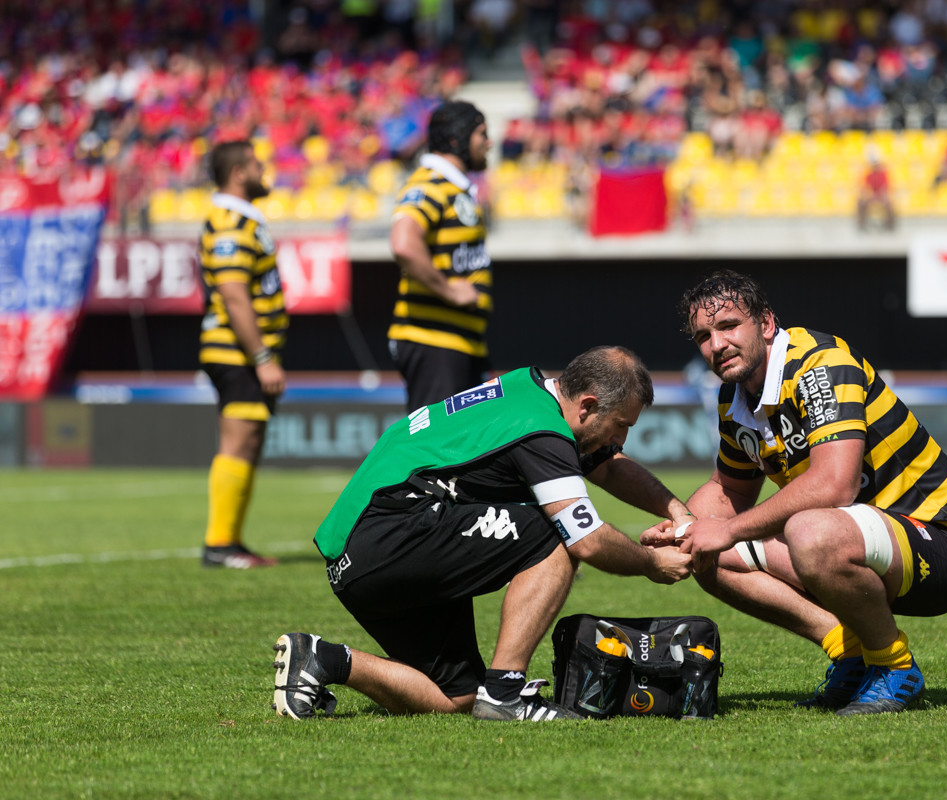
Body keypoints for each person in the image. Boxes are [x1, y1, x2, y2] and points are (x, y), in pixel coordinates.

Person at [272, 347, 694, 721]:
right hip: (391, 531)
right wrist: (653, 563)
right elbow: (586, 538)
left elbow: (608, 465)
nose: (621, 439)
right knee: (558, 532)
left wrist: (675, 510)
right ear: (586, 405)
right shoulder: (541, 431)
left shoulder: (526, 391)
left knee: (456, 696)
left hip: (363, 552)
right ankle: (507, 693)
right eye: (621, 425)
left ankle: (322, 658)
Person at [642, 270, 947, 715]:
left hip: (942, 541)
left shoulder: (821, 364)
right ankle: (850, 653)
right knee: (710, 557)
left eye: (729, 326)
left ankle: (895, 666)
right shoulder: (734, 397)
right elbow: (728, 489)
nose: (717, 345)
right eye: (704, 336)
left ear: (766, 324)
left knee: (809, 531)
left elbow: (834, 483)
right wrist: (683, 531)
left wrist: (727, 530)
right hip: (861, 540)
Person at [196, 140, 286, 569]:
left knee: (248, 441)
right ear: (238, 173)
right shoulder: (231, 222)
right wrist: (263, 356)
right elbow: (235, 297)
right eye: (255, 164)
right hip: (235, 352)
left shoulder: (243, 221)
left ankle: (230, 541)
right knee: (237, 441)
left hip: (240, 352)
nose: (262, 169)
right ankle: (219, 546)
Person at [388, 100, 493, 411]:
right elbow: (403, 243)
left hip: (458, 341)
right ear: (455, 140)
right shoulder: (430, 184)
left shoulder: (455, 188)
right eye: (481, 134)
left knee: (463, 453)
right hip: (434, 341)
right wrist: (448, 291)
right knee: (435, 453)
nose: (489, 142)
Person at [856, 151, 895, 231]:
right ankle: (862, 225)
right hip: (872, 196)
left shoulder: (883, 174)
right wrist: (867, 196)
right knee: (860, 203)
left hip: (881, 196)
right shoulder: (869, 175)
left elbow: (885, 187)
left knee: (889, 205)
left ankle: (889, 226)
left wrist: (881, 196)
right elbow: (865, 187)